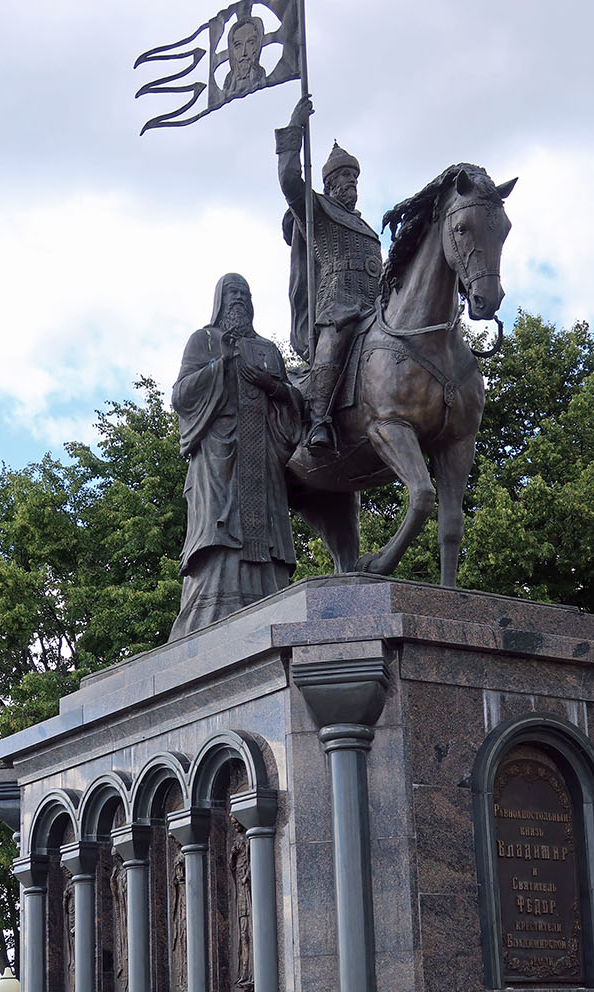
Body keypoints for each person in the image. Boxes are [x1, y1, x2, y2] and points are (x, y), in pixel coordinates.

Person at [170, 274, 303, 636]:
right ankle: (211, 609)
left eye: (245, 294)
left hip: (263, 456)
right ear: (220, 301)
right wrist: (223, 363)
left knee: (268, 534)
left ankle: (269, 598)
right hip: (220, 454)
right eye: (233, 293)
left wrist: (271, 386)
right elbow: (181, 395)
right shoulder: (204, 340)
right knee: (221, 528)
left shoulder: (267, 350)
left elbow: (294, 401)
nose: (240, 299)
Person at [276, 95, 383, 452]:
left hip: (375, 305)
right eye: (344, 177)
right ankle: (319, 420)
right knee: (334, 346)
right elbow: (289, 180)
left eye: (354, 176)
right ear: (329, 184)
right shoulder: (318, 210)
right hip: (339, 304)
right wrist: (295, 128)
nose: (351, 182)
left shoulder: (366, 226)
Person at [222, 14, 267, 99]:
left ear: (258, 45)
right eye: (238, 46)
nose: (244, 52)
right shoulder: (229, 82)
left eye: (250, 43)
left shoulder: (259, 74)